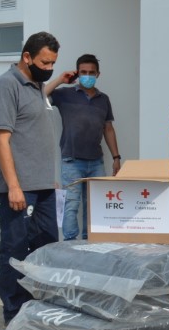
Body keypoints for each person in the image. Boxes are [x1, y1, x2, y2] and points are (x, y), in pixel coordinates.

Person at [0, 31, 62, 325]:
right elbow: (1, 140)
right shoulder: (6, 85)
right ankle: (14, 313)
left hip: (43, 185)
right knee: (16, 250)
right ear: (27, 57)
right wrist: (14, 187)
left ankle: (37, 306)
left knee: (46, 247)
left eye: (53, 63)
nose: (48, 68)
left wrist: (50, 177)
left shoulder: (35, 85)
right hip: (21, 189)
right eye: (45, 62)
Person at [46, 54, 121, 240]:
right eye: (83, 72)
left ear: (98, 74)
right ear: (77, 73)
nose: (88, 75)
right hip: (71, 159)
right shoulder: (65, 94)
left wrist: (116, 158)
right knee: (71, 203)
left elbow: (108, 128)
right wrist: (60, 79)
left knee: (94, 203)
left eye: (91, 72)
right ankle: (70, 242)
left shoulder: (104, 99)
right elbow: (40, 95)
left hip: (96, 161)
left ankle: (90, 239)